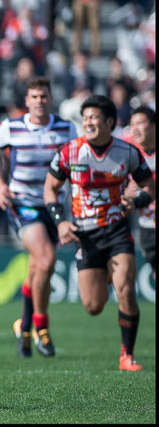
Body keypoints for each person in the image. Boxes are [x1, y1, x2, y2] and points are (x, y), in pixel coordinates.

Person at [44, 94, 154, 371]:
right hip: (85, 234)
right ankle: (102, 276)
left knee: (127, 291)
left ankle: (127, 354)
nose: (89, 123)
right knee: (93, 306)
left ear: (109, 122)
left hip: (117, 231)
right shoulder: (70, 152)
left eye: (94, 118)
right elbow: (49, 189)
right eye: (85, 118)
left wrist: (137, 202)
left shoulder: (127, 152)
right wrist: (60, 222)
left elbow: (150, 186)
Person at [0, 77, 77, 358]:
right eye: (34, 96)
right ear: (26, 101)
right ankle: (42, 327)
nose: (39, 101)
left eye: (43, 96)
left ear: (51, 98)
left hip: (53, 206)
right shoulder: (11, 127)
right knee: (47, 259)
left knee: (38, 268)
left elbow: (77, 163)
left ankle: (23, 326)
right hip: (22, 203)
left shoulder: (66, 128)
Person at [122, 106, 155, 276]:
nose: (135, 128)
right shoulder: (127, 152)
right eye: (132, 124)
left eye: (140, 123)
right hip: (147, 222)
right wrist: (126, 194)